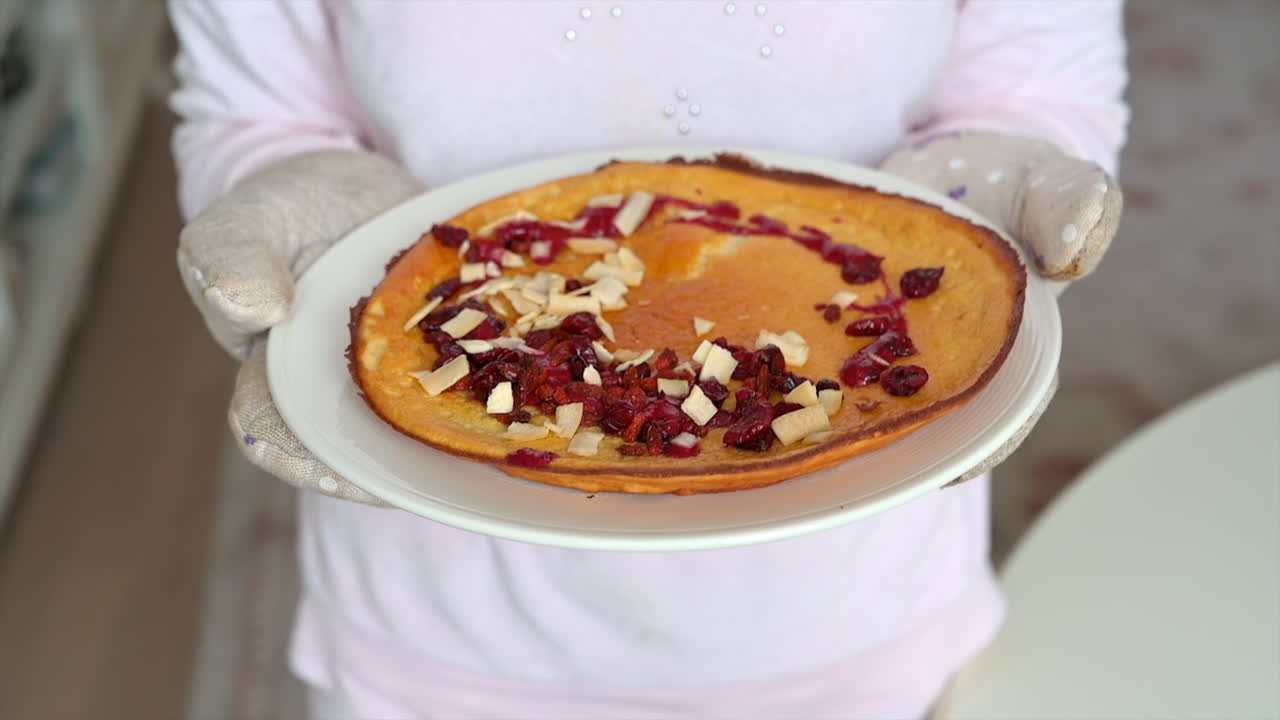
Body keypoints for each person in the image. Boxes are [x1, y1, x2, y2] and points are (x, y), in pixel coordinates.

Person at [169, 2, 1127, 718]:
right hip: (440, 627)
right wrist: (298, 196)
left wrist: (994, 177)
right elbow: (261, 109)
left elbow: (1031, 83)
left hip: (853, 605)